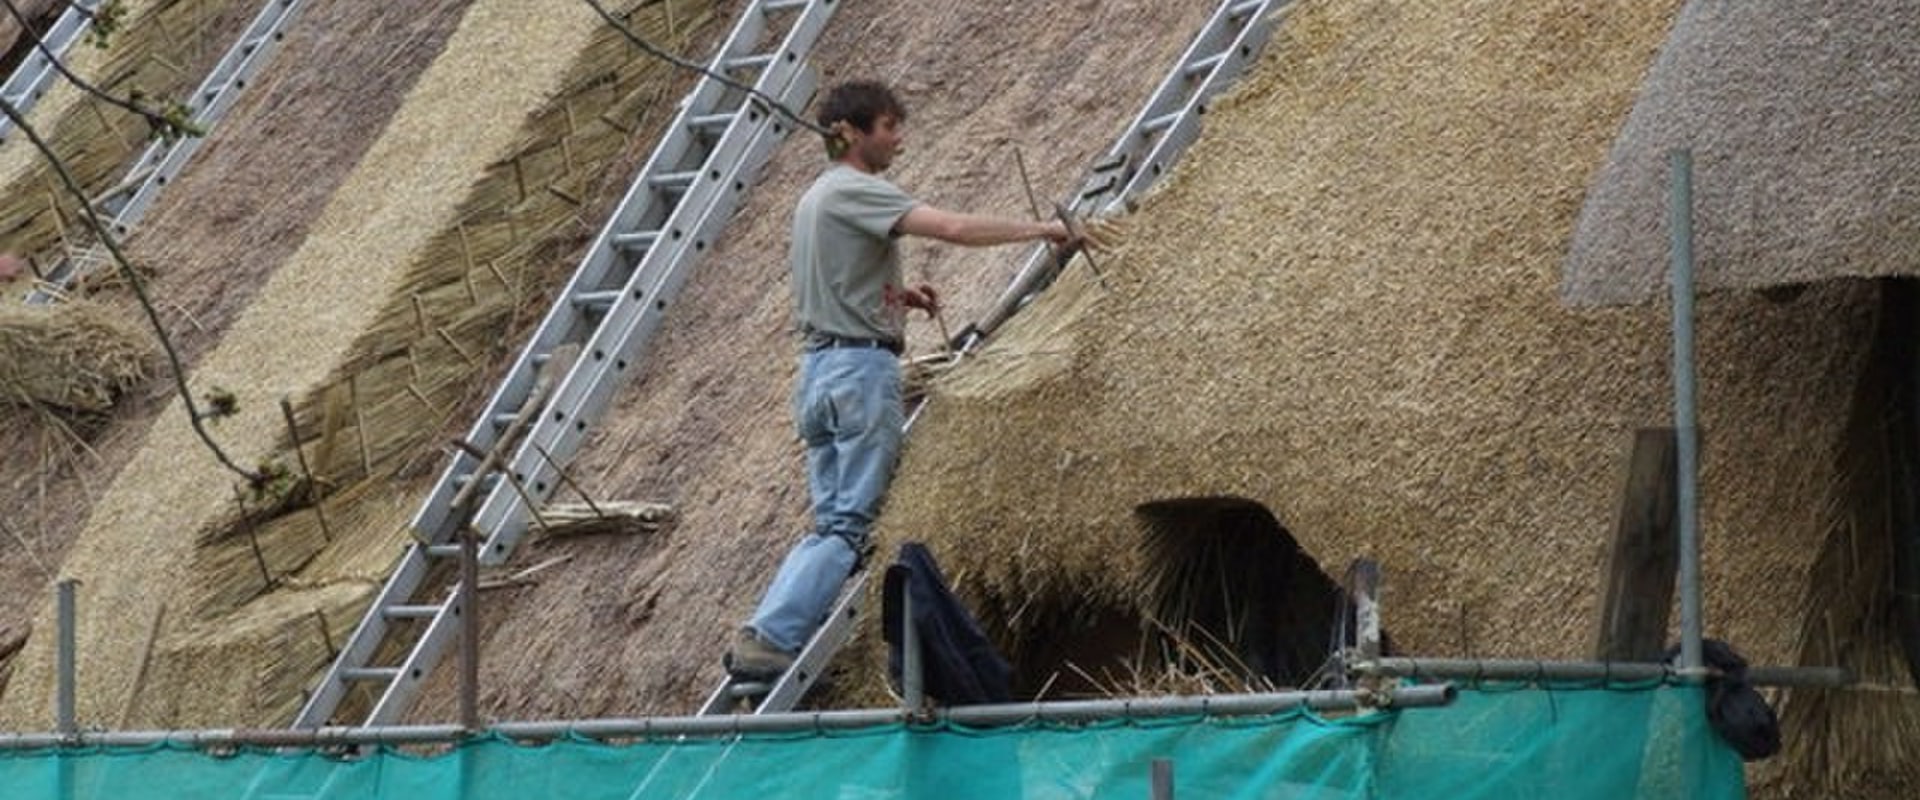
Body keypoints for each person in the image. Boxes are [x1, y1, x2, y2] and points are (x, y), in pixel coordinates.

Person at [726, 80, 1077, 679]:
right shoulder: (856, 190)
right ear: (852, 133)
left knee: (832, 519)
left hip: (818, 371)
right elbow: (952, 229)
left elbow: (833, 280)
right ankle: (773, 635)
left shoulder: (815, 199)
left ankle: (768, 629)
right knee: (848, 526)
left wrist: (898, 297)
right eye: (888, 127)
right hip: (858, 373)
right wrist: (1040, 231)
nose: (899, 139)